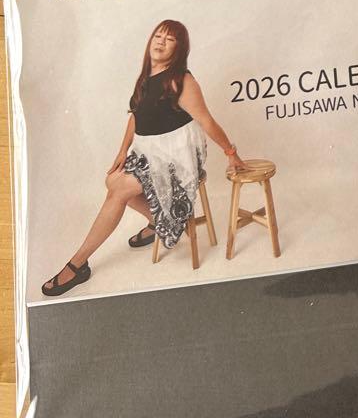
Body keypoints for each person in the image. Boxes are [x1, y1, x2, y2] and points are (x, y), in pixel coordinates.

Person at [41, 20, 245, 297]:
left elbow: (206, 121)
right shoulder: (147, 78)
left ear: (179, 48)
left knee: (119, 191)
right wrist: (122, 150)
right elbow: (136, 115)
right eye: (158, 36)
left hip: (177, 157)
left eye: (169, 39)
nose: (160, 42)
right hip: (151, 151)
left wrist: (231, 153)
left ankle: (78, 265)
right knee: (112, 181)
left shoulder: (181, 80)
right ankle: (160, 221)